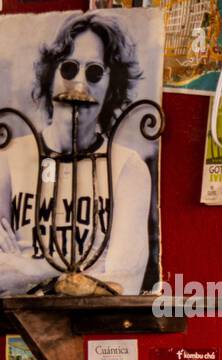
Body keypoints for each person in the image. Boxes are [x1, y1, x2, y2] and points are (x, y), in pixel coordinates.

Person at [0, 13, 152, 294]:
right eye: (68, 69)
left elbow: (123, 286)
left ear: (112, 88)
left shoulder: (128, 168)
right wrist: (82, 278)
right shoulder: (9, 159)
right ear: (49, 77)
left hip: (95, 333)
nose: (80, 85)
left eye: (94, 73)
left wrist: (26, 267)